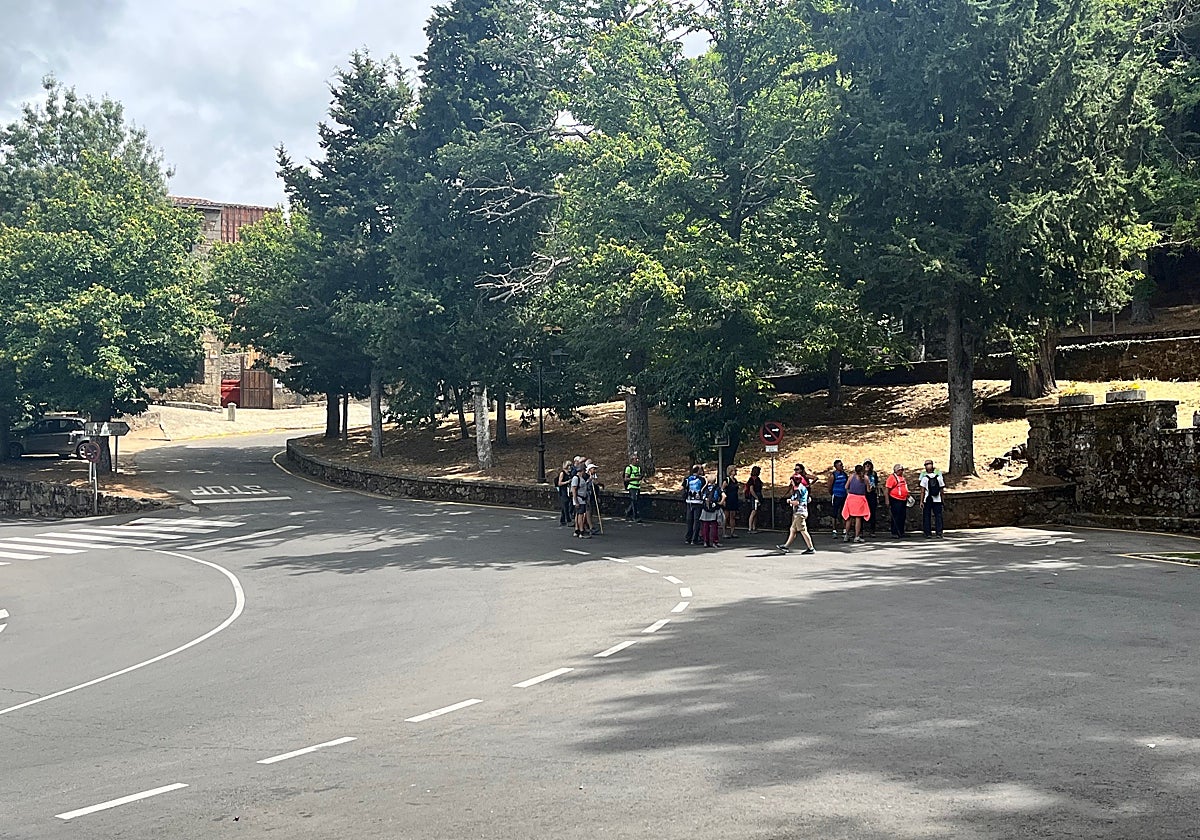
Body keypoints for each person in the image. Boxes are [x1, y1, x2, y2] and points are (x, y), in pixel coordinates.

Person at [776, 478, 815, 555]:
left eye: (792, 481)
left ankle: (811, 548)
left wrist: (789, 501)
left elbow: (797, 502)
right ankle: (786, 546)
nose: (790, 482)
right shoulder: (803, 488)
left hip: (799, 513)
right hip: (803, 511)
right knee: (793, 529)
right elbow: (808, 499)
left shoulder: (797, 490)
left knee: (803, 530)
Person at [842, 463, 871, 543]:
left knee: (849, 517)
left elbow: (846, 487)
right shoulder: (865, 478)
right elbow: (868, 490)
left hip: (851, 498)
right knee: (858, 518)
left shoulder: (851, 476)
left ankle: (846, 535)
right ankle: (857, 536)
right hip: (860, 499)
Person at [920, 459, 945, 538]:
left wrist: (921, 501)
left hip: (927, 499)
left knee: (927, 516)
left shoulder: (924, 478)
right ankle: (939, 532)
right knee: (938, 516)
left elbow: (922, 491)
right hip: (937, 499)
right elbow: (941, 490)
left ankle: (927, 533)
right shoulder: (939, 478)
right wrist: (942, 500)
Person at [683, 465, 706, 545]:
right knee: (697, 521)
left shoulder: (687, 479)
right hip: (698, 502)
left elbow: (684, 488)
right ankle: (694, 538)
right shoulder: (702, 480)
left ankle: (688, 538)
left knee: (689, 520)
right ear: (698, 471)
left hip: (689, 501)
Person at [698, 473, 723, 547]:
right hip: (714, 508)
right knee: (714, 526)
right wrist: (720, 503)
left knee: (705, 526)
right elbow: (724, 495)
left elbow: (701, 493)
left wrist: (706, 483)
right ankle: (715, 541)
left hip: (705, 508)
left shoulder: (705, 488)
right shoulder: (717, 488)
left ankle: (706, 541)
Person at [885, 464, 910, 537]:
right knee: (896, 516)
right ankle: (895, 532)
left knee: (902, 516)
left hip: (903, 499)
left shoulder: (902, 478)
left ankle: (901, 531)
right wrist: (887, 500)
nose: (901, 471)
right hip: (895, 499)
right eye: (900, 470)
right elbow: (887, 490)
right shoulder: (892, 478)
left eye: (902, 470)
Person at [571, 464, 593, 538]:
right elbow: (574, 490)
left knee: (578, 515)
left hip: (581, 499)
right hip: (579, 499)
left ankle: (577, 530)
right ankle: (581, 531)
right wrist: (576, 501)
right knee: (580, 515)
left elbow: (582, 487)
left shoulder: (581, 478)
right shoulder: (576, 478)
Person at [829, 459, 849, 538]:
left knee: (844, 512)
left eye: (842, 465)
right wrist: (833, 493)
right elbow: (829, 486)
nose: (842, 466)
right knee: (834, 513)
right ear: (836, 466)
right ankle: (834, 530)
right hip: (836, 495)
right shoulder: (833, 475)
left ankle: (844, 529)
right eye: (840, 465)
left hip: (844, 495)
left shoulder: (844, 474)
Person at [722, 466, 741, 539]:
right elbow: (722, 489)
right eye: (734, 470)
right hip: (728, 499)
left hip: (734, 499)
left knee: (733, 516)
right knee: (726, 516)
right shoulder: (727, 480)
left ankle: (732, 532)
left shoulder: (735, 480)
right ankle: (724, 532)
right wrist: (723, 500)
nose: (736, 472)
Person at [623, 454, 643, 523]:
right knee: (634, 501)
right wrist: (635, 478)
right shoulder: (629, 468)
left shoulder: (639, 468)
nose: (637, 460)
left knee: (635, 501)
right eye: (635, 459)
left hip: (637, 486)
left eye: (638, 459)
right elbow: (626, 479)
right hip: (632, 487)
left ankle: (628, 513)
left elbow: (639, 476)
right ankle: (635, 516)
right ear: (632, 460)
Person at [744, 465, 765, 533]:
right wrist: (756, 497)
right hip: (755, 496)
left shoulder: (757, 479)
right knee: (754, 511)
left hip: (757, 495)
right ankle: (750, 528)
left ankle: (753, 527)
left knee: (756, 512)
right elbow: (751, 490)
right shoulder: (752, 480)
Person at [863, 460, 879, 535]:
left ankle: (872, 530)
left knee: (873, 512)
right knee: (862, 512)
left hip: (872, 494)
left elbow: (876, 484)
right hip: (863, 494)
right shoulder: (862, 474)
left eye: (869, 464)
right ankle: (861, 530)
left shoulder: (874, 474)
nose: (867, 465)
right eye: (866, 464)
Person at [555, 459, 573, 526]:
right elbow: (559, 483)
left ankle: (562, 520)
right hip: (563, 491)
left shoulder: (569, 473)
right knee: (565, 506)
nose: (570, 467)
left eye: (570, 465)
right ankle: (568, 520)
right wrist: (567, 482)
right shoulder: (562, 473)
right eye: (568, 465)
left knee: (565, 506)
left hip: (568, 491)